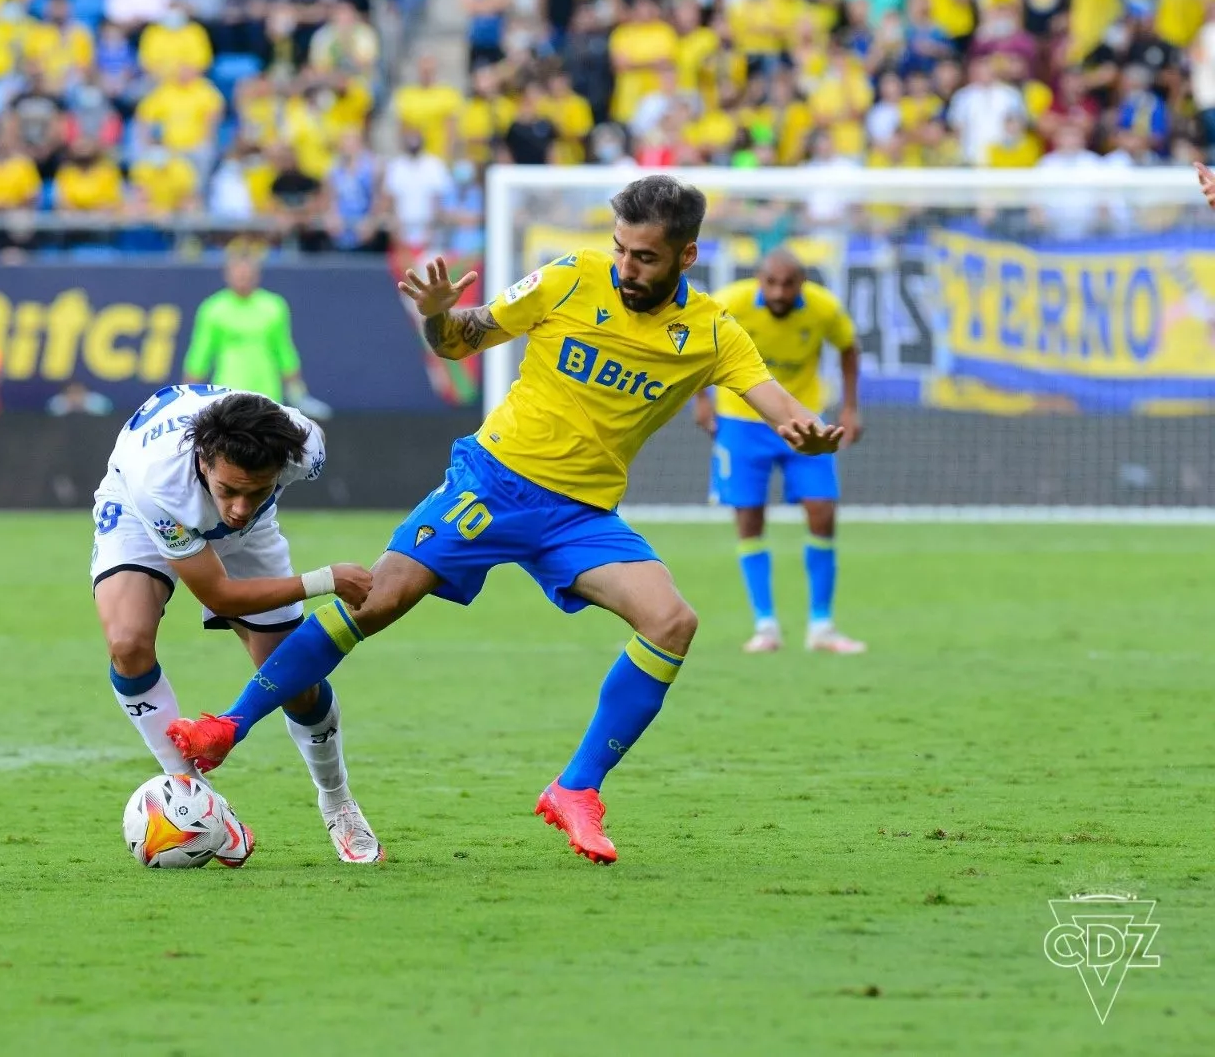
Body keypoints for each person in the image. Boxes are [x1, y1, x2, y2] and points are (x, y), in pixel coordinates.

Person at [168, 176, 846, 864]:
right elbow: (458, 341)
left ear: (686, 256)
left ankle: (576, 788)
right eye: (620, 249)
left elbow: (775, 399)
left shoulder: (711, 332)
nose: (625, 267)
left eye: (644, 257)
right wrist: (438, 315)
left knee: (672, 621)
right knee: (377, 598)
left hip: (580, 515)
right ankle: (229, 726)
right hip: (491, 483)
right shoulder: (569, 278)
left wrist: (807, 429)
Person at [90, 387, 382, 862]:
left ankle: (338, 800)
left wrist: (243, 503)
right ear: (204, 461)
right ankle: (198, 801)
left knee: (296, 683)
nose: (240, 506)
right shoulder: (160, 483)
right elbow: (218, 594)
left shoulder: (304, 447)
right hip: (139, 516)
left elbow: (255, 497)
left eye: (258, 491)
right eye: (229, 490)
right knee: (128, 643)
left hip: (250, 540)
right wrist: (324, 580)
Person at [693, 251, 866, 656]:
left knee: (822, 513)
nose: (779, 292)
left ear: (802, 283)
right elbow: (696, 342)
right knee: (749, 519)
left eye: (788, 284)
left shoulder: (823, 308)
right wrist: (701, 399)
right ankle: (765, 625)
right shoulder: (731, 303)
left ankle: (821, 626)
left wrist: (850, 408)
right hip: (741, 422)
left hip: (802, 420)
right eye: (771, 282)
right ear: (759, 279)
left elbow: (848, 348)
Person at [183, 251, 333, 418]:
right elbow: (200, 354)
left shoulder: (274, 306)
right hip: (228, 392)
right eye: (238, 275)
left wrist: (297, 392)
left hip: (268, 392)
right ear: (227, 275)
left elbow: (284, 351)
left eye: (247, 275)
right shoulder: (213, 309)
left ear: (257, 276)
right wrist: (187, 397)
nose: (243, 279)